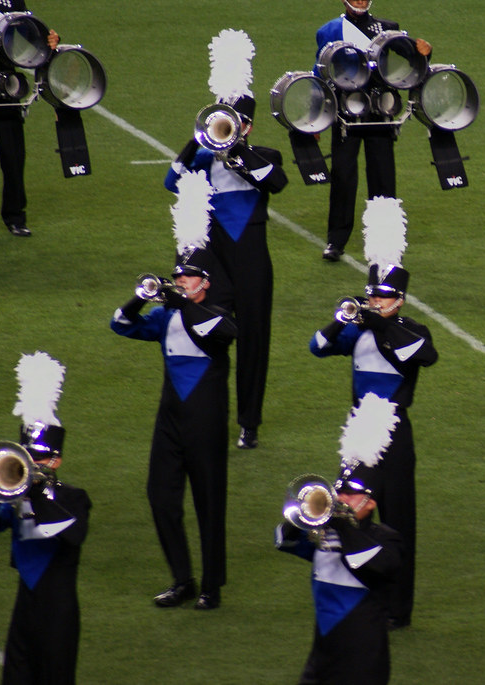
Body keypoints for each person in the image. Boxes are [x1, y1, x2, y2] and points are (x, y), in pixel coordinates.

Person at [167, 30, 288, 450]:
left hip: (253, 258)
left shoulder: (263, 156)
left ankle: (248, 422)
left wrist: (239, 153)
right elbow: (171, 182)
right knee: (209, 333)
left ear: (249, 125)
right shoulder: (202, 159)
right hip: (213, 258)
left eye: (237, 122)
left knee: (255, 339)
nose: (229, 127)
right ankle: (208, 412)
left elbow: (278, 182)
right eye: (224, 120)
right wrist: (198, 141)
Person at [309, 260, 436, 628]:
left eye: (382, 297)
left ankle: (399, 609)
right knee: (349, 514)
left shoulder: (412, 330)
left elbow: (426, 355)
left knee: (398, 521)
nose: (374, 302)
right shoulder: (357, 331)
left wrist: (381, 324)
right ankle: (357, 591)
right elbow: (317, 346)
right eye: (371, 296)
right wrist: (342, 318)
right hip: (359, 432)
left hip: (395, 434)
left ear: (399, 300)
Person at [110, 253, 238, 610]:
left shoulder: (217, 313)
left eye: (189, 277)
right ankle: (182, 579)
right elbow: (120, 323)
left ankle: (211, 587)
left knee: (209, 504)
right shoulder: (164, 317)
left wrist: (181, 301)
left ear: (206, 282)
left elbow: (226, 332)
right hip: (169, 422)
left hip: (206, 423)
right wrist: (142, 295)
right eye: (177, 277)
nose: (180, 282)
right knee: (161, 498)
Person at [0, 353, 91, 684]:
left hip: (58, 611)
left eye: (41, 457)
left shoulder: (74, 498)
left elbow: (71, 536)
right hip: (24, 608)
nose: (33, 462)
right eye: (28, 455)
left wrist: (35, 493)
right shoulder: (13, 501)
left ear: (56, 461)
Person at [315, 0, 431, 261]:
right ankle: (336, 240)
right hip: (346, 112)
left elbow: (413, 55)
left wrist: (426, 50)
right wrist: (316, 116)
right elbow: (320, 72)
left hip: (380, 110)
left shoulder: (387, 28)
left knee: (383, 175)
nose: (359, 1)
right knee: (343, 176)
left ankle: (385, 238)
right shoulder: (329, 30)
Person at [276, 463, 402, 684]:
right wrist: (305, 515)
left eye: (351, 494)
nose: (342, 498)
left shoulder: (386, 539)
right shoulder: (324, 534)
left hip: (362, 660)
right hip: (321, 656)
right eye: (339, 492)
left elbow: (372, 565)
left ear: (371, 502)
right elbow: (285, 541)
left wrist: (344, 525)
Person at [0, 1, 59, 237]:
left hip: (6, 86)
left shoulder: (12, 0)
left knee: (13, 155)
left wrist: (50, 41)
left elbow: (30, 33)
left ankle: (15, 217)